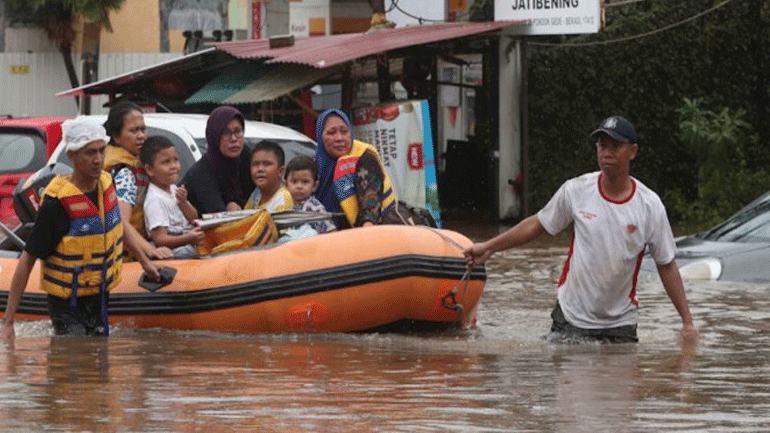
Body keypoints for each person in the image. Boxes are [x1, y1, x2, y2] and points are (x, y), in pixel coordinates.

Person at [464, 116, 698, 344]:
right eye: (602, 145)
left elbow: (666, 264)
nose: (607, 153)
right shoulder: (576, 190)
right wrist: (489, 248)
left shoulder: (650, 205)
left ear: (633, 152)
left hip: (620, 325)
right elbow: (538, 224)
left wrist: (687, 322)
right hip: (571, 317)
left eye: (615, 146)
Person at [1, 118, 159, 341]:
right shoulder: (57, 204)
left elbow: (117, 226)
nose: (98, 160)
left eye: (101, 151)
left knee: (98, 365)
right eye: (89, 153)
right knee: (73, 361)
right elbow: (27, 260)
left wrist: (144, 261)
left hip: (100, 294)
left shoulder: (106, 183)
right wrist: (9, 322)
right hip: (67, 302)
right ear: (72, 156)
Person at [103, 100, 173, 260]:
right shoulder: (124, 173)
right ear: (116, 137)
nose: (141, 136)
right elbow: (122, 223)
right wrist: (150, 250)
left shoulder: (136, 163)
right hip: (125, 258)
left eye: (143, 129)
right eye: (134, 131)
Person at [314, 108, 396, 229]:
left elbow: (371, 199)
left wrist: (368, 225)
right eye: (331, 133)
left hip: (365, 237)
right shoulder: (314, 167)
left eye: (344, 131)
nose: (339, 138)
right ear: (320, 136)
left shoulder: (365, 159)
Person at [181, 106, 254, 215]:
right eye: (226, 133)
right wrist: (231, 211)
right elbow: (217, 216)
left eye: (238, 131)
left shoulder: (246, 157)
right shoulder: (201, 173)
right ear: (215, 137)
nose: (234, 139)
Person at [140, 136, 204, 258]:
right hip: (175, 251)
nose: (174, 166)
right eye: (166, 162)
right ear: (149, 169)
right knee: (189, 252)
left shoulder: (173, 188)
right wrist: (188, 238)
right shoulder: (155, 199)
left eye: (175, 160)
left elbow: (194, 217)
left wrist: (183, 202)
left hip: (187, 240)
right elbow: (160, 239)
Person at [285, 155, 336, 234]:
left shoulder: (314, 207)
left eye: (305, 182)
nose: (299, 186)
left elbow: (331, 232)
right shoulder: (289, 208)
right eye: (294, 181)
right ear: (286, 184)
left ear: (314, 186)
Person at [244, 141, 293, 213]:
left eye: (267, 164)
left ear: (280, 171)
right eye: (255, 164)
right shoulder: (256, 194)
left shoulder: (283, 200)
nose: (260, 169)